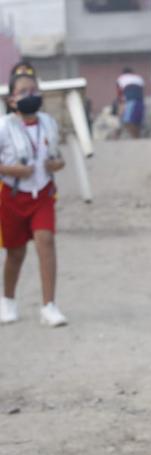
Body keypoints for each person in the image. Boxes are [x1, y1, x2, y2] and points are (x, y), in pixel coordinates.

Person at [0, 61, 68, 326]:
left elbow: (58, 159)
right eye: (24, 92)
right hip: (12, 197)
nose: (30, 96)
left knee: (46, 241)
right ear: (12, 99)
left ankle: (49, 305)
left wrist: (56, 165)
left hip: (42, 194)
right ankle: (7, 300)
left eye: (34, 91)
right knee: (15, 253)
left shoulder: (48, 123)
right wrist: (13, 170)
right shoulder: (4, 127)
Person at [116, 67, 145, 138]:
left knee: (127, 121)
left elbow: (119, 92)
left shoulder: (121, 78)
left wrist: (120, 105)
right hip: (140, 101)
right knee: (137, 121)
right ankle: (137, 136)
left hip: (130, 101)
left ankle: (135, 136)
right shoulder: (139, 78)